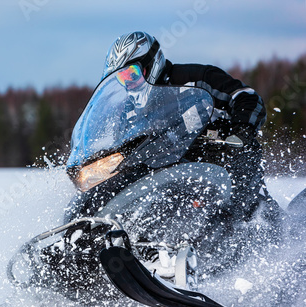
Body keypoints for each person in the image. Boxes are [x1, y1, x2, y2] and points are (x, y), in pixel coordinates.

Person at [102, 31, 272, 222]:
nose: (129, 84)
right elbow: (127, 145)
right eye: (121, 78)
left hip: (225, 162)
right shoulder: (131, 111)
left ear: (151, 64)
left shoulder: (197, 79)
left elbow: (247, 97)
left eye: (131, 74)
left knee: (240, 209)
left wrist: (241, 130)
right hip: (175, 179)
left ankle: (265, 227)